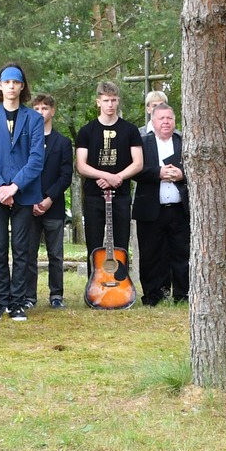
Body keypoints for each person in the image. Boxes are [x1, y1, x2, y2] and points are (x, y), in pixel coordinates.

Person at [0, 66, 46, 322]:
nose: (11, 86)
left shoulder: (34, 119)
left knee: (21, 250)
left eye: (16, 82)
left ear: (22, 87)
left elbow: (36, 159)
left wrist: (15, 187)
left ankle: (17, 303)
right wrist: (0, 188)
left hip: (24, 193)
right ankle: (1, 301)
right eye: (6, 82)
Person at [74, 81, 144, 272]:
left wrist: (118, 177)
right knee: (94, 244)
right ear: (98, 102)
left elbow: (138, 162)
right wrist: (106, 175)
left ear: (118, 101)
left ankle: (121, 285)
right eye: (106, 100)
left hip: (120, 195)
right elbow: (81, 165)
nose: (110, 105)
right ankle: (93, 285)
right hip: (94, 195)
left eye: (113, 100)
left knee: (121, 243)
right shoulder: (87, 131)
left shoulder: (130, 130)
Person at [134, 101, 190, 306]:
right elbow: (134, 171)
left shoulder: (184, 142)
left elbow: (198, 170)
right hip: (150, 208)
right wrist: (158, 173)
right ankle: (152, 296)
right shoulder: (142, 142)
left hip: (179, 208)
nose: (166, 122)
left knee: (182, 254)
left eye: (169, 118)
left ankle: (183, 295)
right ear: (153, 121)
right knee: (150, 255)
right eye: (161, 118)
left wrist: (182, 175)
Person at [27, 92, 72, 308]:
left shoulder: (63, 142)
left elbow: (65, 175)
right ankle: (29, 296)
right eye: (36, 108)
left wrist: (49, 199)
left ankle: (56, 295)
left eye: (44, 108)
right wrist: (34, 199)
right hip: (29, 204)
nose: (40, 112)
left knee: (55, 254)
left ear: (52, 111)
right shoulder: (25, 141)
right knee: (28, 254)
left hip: (53, 206)